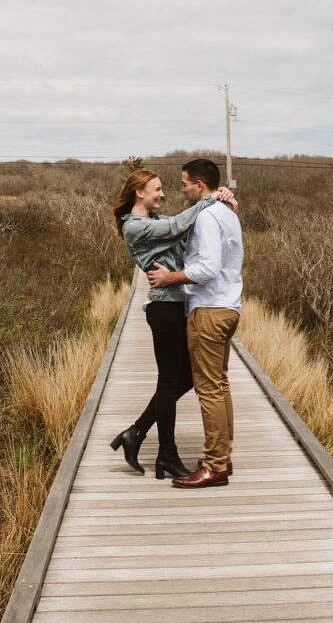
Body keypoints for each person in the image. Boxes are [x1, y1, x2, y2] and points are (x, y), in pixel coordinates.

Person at [109, 168, 236, 480]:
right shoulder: (135, 227)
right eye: (157, 190)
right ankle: (166, 453)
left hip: (178, 303)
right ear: (140, 193)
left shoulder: (153, 222)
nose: (163, 194)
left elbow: (184, 233)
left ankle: (136, 432)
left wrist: (223, 202)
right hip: (164, 307)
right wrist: (210, 200)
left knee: (188, 379)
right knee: (169, 382)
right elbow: (180, 224)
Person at [146, 158, 243, 489]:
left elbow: (208, 268)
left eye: (184, 183)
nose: (181, 189)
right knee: (220, 383)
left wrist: (169, 277)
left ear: (200, 186)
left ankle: (214, 466)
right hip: (228, 307)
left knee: (209, 389)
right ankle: (222, 457)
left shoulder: (207, 218)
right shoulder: (228, 213)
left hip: (209, 311)